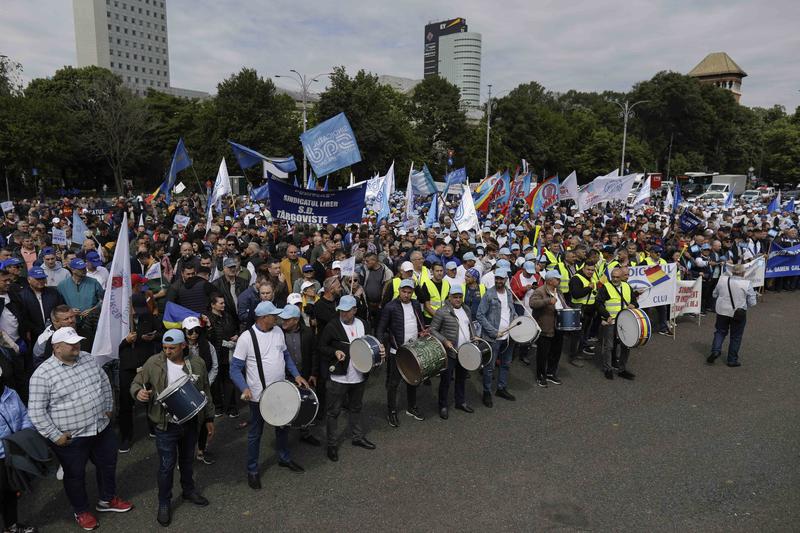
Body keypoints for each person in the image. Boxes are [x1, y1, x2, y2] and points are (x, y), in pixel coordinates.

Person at [28, 327, 133, 531]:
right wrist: (55, 436)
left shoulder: (88, 358)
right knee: (75, 475)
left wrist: (108, 408)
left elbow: (104, 382)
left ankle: (107, 499)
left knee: (108, 465)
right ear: (57, 348)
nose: (76, 346)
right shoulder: (42, 374)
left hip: (100, 428)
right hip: (72, 438)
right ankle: (81, 511)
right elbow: (36, 411)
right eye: (71, 344)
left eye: (77, 341)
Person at [131, 329, 215, 527]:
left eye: (172, 348)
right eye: (165, 348)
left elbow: (206, 390)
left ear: (183, 346)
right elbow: (136, 383)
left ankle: (188, 491)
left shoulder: (197, 363)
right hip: (165, 425)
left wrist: (209, 417)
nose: (167, 352)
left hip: (190, 422)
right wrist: (138, 393)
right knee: (166, 466)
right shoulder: (154, 362)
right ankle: (164, 502)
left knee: (187, 461)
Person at [229, 301, 309, 490]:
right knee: (255, 434)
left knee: (283, 427)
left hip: (280, 392)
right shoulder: (246, 338)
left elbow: (286, 356)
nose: (277, 318)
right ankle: (252, 470)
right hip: (259, 397)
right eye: (274, 315)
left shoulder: (278, 331)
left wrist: (296, 375)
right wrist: (244, 388)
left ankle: (284, 458)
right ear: (263, 318)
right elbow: (234, 369)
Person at [318, 295, 380, 462]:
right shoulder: (332, 326)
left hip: (359, 376)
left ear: (354, 310)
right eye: (341, 310)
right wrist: (334, 352)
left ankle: (357, 437)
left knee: (356, 408)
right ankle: (332, 445)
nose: (343, 314)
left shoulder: (364, 324)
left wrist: (379, 350)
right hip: (339, 378)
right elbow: (321, 346)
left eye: (347, 311)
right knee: (333, 412)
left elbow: (370, 344)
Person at [376, 279, 427, 427]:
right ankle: (391, 411)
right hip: (397, 351)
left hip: (414, 350)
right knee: (394, 383)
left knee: (414, 380)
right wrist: (380, 344)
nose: (406, 295)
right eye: (404, 291)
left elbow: (420, 323)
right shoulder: (390, 307)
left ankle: (411, 407)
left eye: (409, 292)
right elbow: (381, 328)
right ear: (399, 291)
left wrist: (423, 332)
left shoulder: (415, 304)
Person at [0, 366, 38, 533]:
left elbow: (24, 416)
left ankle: (12, 526)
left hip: (14, 452)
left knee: (11, 491)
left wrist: (23, 437)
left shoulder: (11, 394)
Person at [429, 286, 475, 419]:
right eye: (455, 297)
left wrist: (474, 336)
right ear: (449, 297)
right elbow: (432, 329)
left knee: (461, 379)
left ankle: (460, 402)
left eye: (460, 297)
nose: (458, 299)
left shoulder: (466, 309)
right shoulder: (442, 311)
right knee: (446, 380)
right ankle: (442, 406)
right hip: (450, 353)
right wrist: (444, 341)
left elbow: (470, 325)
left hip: (465, 351)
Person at [278, 304, 321, 446]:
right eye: (283, 319)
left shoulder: (308, 333)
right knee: (284, 404)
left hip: (304, 375)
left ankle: (305, 432)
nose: (283, 321)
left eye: (287, 319)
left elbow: (314, 353)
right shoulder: (278, 333)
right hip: (285, 376)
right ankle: (283, 436)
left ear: (296, 320)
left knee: (305, 404)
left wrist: (313, 373)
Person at [477, 268, 518, 407]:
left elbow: (511, 311)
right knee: (489, 367)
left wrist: (516, 320)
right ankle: (487, 392)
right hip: (493, 338)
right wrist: (494, 332)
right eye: (497, 278)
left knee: (506, 364)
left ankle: (501, 388)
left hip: (508, 336)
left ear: (506, 279)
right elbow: (480, 315)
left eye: (501, 279)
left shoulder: (509, 293)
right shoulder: (489, 294)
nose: (499, 281)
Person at [181, 317, 218, 465]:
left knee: (204, 420)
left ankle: (201, 450)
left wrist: (206, 382)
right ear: (184, 332)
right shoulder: (179, 347)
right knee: (186, 424)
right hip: (185, 390)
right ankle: (184, 455)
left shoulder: (207, 345)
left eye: (197, 331)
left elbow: (214, 366)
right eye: (190, 332)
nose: (194, 334)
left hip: (203, 388)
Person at [708, 263, 757, 367]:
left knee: (720, 331)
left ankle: (715, 351)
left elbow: (714, 294)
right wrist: (745, 304)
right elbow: (753, 302)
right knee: (736, 336)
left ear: (732, 272)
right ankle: (732, 360)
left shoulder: (722, 280)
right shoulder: (747, 284)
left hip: (722, 310)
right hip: (738, 313)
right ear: (743, 273)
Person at [595, 267, 638, 380]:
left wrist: (634, 305)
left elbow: (635, 302)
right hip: (611, 321)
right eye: (613, 277)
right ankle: (608, 369)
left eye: (617, 277)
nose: (615, 279)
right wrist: (606, 316)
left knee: (626, 345)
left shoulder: (627, 286)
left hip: (625, 321)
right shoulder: (606, 287)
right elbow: (598, 303)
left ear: (622, 277)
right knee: (609, 346)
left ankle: (622, 369)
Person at [530, 270, 568, 387]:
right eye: (557, 279)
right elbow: (532, 303)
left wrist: (568, 309)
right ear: (550, 281)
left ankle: (551, 373)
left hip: (559, 326)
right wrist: (547, 301)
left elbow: (563, 304)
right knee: (543, 353)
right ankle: (540, 376)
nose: (559, 280)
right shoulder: (540, 291)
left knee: (556, 352)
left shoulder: (559, 291)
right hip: (545, 327)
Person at [208, 294, 239, 417]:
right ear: (213, 305)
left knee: (229, 381)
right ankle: (218, 407)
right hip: (215, 354)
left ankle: (232, 407)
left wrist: (236, 335)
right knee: (215, 383)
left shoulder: (227, 316)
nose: (224, 305)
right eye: (221, 303)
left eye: (224, 302)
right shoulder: (208, 319)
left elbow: (235, 328)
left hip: (228, 354)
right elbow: (208, 336)